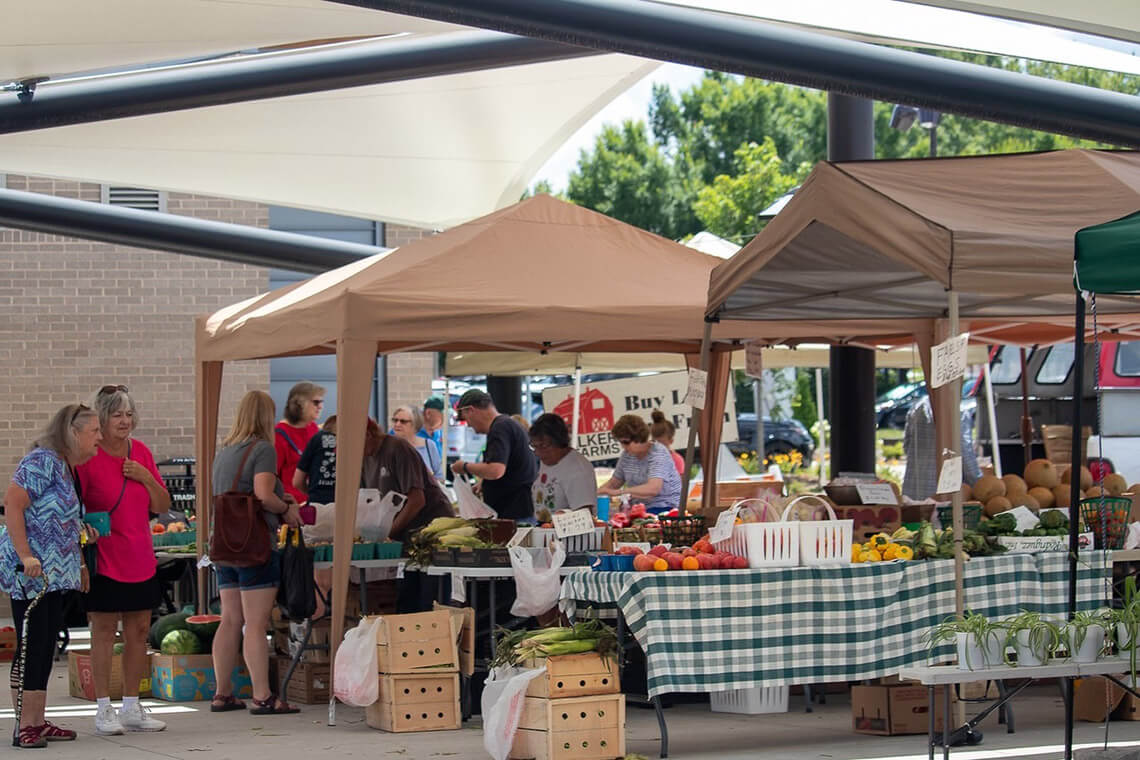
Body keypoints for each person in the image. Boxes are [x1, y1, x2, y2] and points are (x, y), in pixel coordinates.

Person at [0, 403, 100, 748]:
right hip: (32, 573)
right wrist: (25, 554)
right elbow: (13, 504)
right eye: (94, 431)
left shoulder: (66, 467)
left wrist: (81, 563)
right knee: (33, 645)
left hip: (57, 573)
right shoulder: (41, 461)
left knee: (46, 645)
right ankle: (24, 725)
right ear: (73, 433)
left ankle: (37, 720)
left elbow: (65, 521)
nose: (99, 438)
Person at [75, 385, 171, 736]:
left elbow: (162, 504)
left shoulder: (141, 452)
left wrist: (145, 476)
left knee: (139, 631)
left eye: (129, 414)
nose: (125, 421)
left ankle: (131, 705)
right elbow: (74, 506)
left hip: (139, 554)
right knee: (103, 630)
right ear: (102, 418)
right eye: (117, 414)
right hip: (103, 556)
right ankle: (103, 708)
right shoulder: (89, 455)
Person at [211, 390, 301, 716]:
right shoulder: (262, 449)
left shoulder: (225, 451)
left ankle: (222, 693)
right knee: (256, 623)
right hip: (254, 546)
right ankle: (263, 696)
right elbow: (263, 495)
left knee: (230, 619)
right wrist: (286, 508)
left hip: (224, 546)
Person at [449, 390, 538, 520]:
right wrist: (484, 483)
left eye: (465, 419)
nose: (468, 425)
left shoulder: (500, 428)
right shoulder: (507, 425)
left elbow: (495, 470)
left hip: (513, 513)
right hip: (518, 509)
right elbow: (507, 467)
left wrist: (464, 467)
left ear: (471, 410)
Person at [362, 419, 454, 542]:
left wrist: (386, 535)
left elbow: (417, 501)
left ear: (368, 435)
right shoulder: (363, 458)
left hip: (429, 527)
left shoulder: (397, 448)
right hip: (403, 532)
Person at [597, 414, 683, 514]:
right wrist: (595, 494)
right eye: (620, 442)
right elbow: (614, 483)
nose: (623, 447)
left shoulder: (658, 453)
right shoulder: (626, 455)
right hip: (639, 509)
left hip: (665, 509)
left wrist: (619, 493)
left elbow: (653, 488)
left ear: (639, 438)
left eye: (625, 442)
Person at [901, 395, 982, 501]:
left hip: (912, 492)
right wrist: (978, 483)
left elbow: (907, 446)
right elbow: (966, 455)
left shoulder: (916, 408)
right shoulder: (959, 411)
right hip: (942, 494)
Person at [530, 414, 597, 516]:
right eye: (534, 446)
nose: (538, 453)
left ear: (559, 442)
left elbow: (584, 514)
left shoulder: (578, 470)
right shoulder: (547, 459)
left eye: (543, 446)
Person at [275, 382, 325, 504]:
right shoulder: (279, 436)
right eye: (316, 402)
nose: (320, 407)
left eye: (321, 402)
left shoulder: (313, 428)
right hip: (293, 505)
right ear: (299, 404)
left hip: (315, 501)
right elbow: (272, 478)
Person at [392, 405, 444, 482]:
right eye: (395, 420)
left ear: (415, 424)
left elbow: (440, 477)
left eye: (403, 421)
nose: (397, 424)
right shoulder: (387, 446)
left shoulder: (429, 445)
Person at [294, 416, 337, 505]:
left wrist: (312, 492)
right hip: (347, 505)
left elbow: (297, 482)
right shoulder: (353, 442)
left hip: (317, 503)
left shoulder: (317, 438)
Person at [650, 410, 685, 477]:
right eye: (654, 442)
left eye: (661, 443)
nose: (658, 446)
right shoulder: (648, 459)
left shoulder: (676, 460)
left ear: (671, 441)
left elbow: (679, 483)